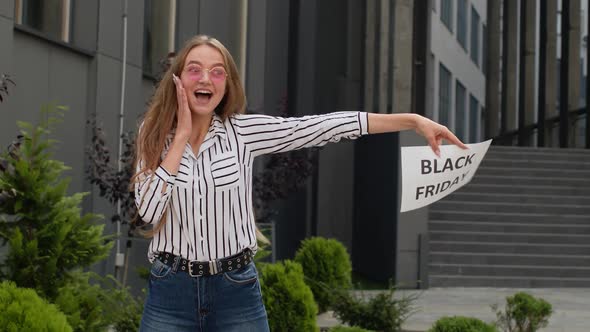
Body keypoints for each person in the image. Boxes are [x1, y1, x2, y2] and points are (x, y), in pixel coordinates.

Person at [133, 34, 466, 332]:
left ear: (226, 84)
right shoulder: (153, 133)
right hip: (170, 290)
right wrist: (180, 141)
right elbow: (148, 212)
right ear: (178, 80)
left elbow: (321, 126)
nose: (206, 78)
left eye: (217, 71)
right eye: (195, 69)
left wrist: (412, 121)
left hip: (234, 288)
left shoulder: (243, 133)